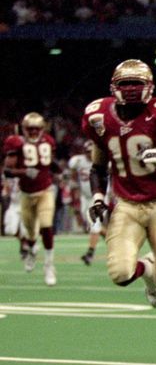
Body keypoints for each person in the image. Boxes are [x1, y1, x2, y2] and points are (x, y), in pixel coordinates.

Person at [81, 59, 156, 365]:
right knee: (120, 274)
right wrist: (97, 196)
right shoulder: (98, 116)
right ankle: (147, 269)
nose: (131, 89)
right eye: (125, 83)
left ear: (150, 87)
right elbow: (98, 166)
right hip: (126, 205)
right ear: (114, 87)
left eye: (137, 83)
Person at [3, 112, 61, 286]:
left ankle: (49, 266)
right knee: (30, 233)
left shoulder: (48, 141)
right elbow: (7, 171)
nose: (34, 132)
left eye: (37, 128)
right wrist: (24, 172)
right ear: (24, 129)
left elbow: (50, 163)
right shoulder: (16, 143)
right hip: (26, 194)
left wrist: (57, 170)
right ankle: (31, 250)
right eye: (30, 129)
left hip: (45, 191)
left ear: (42, 129)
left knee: (46, 226)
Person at [69, 140, 106, 265]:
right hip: (85, 197)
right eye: (87, 152)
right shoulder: (78, 161)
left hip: (98, 197)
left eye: (92, 152)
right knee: (94, 226)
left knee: (94, 224)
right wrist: (74, 195)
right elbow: (73, 177)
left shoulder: (102, 161)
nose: (90, 154)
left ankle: (90, 253)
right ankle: (116, 243)